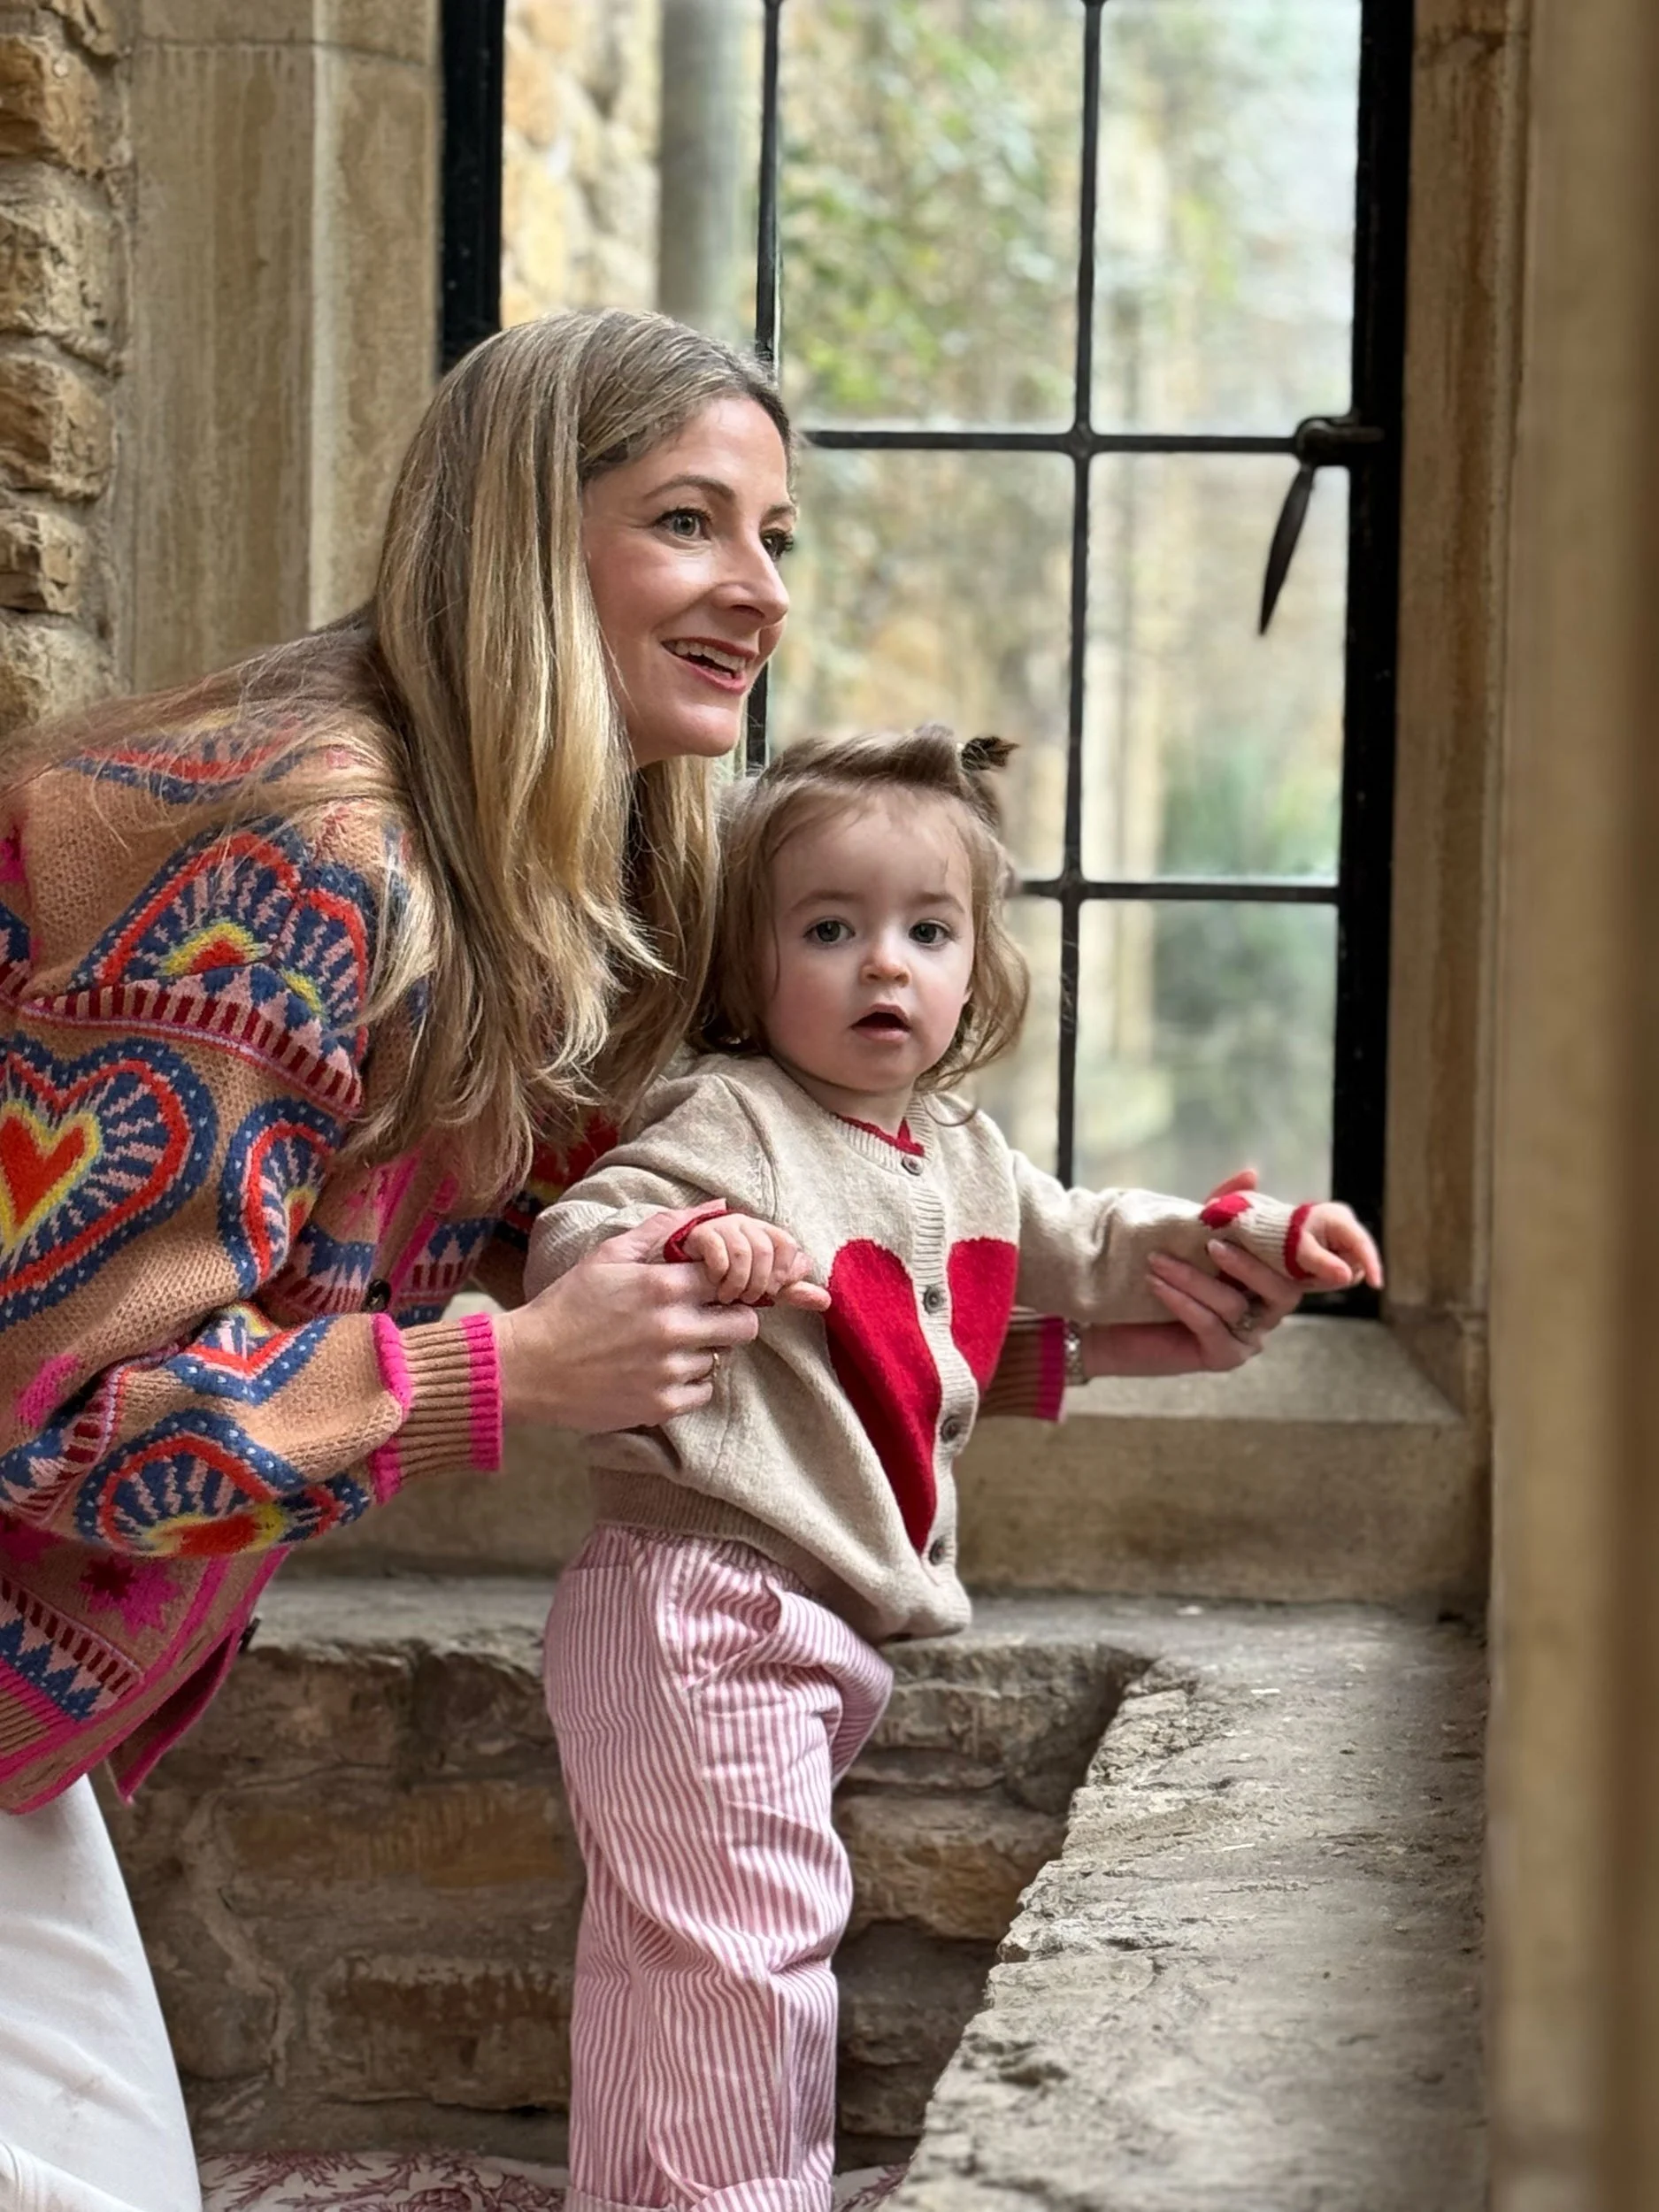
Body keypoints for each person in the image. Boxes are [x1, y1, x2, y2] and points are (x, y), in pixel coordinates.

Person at [0, 307, 1307, 2211]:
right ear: (524, 536)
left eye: (777, 534)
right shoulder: (298, 849)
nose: (758, 588)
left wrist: (1075, 1338)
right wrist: (511, 1375)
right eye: (688, 521)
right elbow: (57, 1420)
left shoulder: (523, 881)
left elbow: (701, 1272)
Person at [527, 725, 1383, 2212]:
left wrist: (1255, 1239)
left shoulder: (963, 1153)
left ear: (977, 969)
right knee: (735, 1966)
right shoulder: (733, 1117)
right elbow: (573, 1240)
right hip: (696, 1603)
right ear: (743, 967)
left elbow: (1101, 1246)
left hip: (797, 1615)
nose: (884, 964)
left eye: (927, 931)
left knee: (690, 1960)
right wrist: (688, 1242)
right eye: (828, 930)